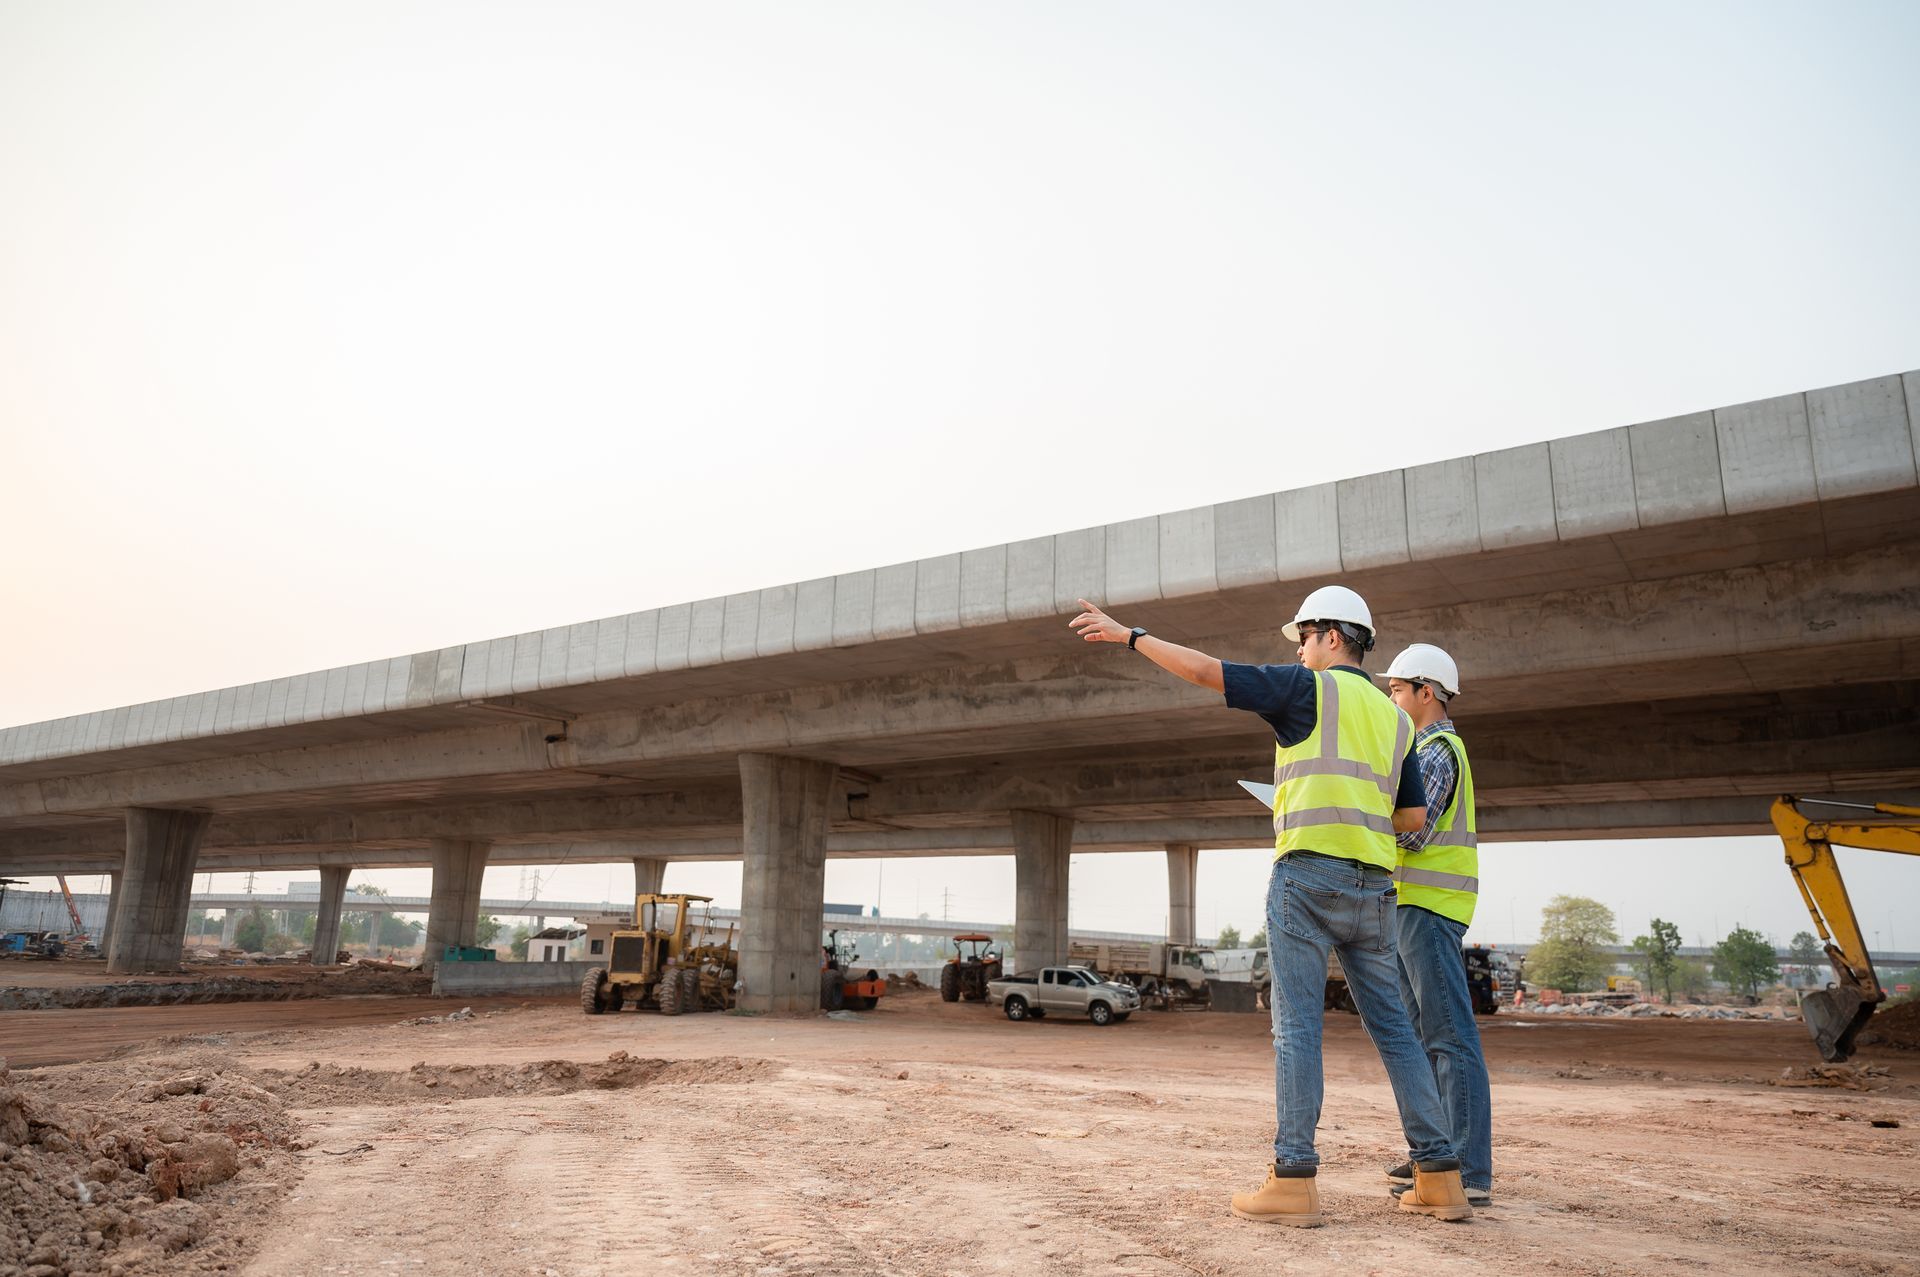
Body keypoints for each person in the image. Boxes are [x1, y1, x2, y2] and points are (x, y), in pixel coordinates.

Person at [1070, 587, 1473, 1226]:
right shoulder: (1397, 720)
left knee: (1297, 1028)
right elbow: (1413, 816)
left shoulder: (1307, 690)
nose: (1300, 650)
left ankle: (1293, 1178)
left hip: (1306, 878)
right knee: (1396, 1032)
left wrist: (1130, 636)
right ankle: (1441, 1177)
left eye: (1304, 638)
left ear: (1331, 637)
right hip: (1375, 887)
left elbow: (1206, 671)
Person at [1382, 643, 1493, 1207]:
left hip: (1430, 909)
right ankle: (1435, 1155)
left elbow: (1416, 833)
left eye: (1398, 690)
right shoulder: (1417, 750)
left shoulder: (1436, 750)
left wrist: (1354, 816)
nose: (1391, 699)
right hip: (1409, 908)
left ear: (1426, 692)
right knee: (1424, 1040)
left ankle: (1469, 1171)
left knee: (1450, 1041)